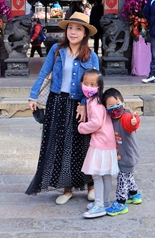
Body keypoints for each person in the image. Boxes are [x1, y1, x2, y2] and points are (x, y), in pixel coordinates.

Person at [26, 12, 100, 205]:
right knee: (61, 146)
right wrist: (33, 95)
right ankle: (67, 189)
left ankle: (90, 186)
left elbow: (96, 84)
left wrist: (85, 105)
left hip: (79, 105)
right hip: (57, 103)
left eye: (78, 29)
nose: (73, 32)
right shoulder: (56, 50)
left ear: (85, 34)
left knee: (84, 146)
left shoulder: (91, 56)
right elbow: (44, 72)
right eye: (70, 28)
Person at [76, 69, 118, 219]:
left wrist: (81, 128)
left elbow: (96, 123)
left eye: (92, 84)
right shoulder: (97, 101)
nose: (88, 86)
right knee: (105, 175)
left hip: (99, 144)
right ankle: (106, 202)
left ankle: (99, 205)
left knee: (97, 175)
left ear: (99, 86)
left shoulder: (94, 103)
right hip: (108, 143)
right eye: (86, 83)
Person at [102, 87, 142, 216]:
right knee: (128, 175)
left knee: (122, 178)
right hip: (123, 155)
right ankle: (134, 195)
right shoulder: (111, 119)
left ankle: (121, 202)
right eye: (111, 105)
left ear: (123, 102)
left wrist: (134, 121)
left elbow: (132, 123)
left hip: (128, 155)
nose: (115, 107)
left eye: (118, 104)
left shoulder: (125, 117)